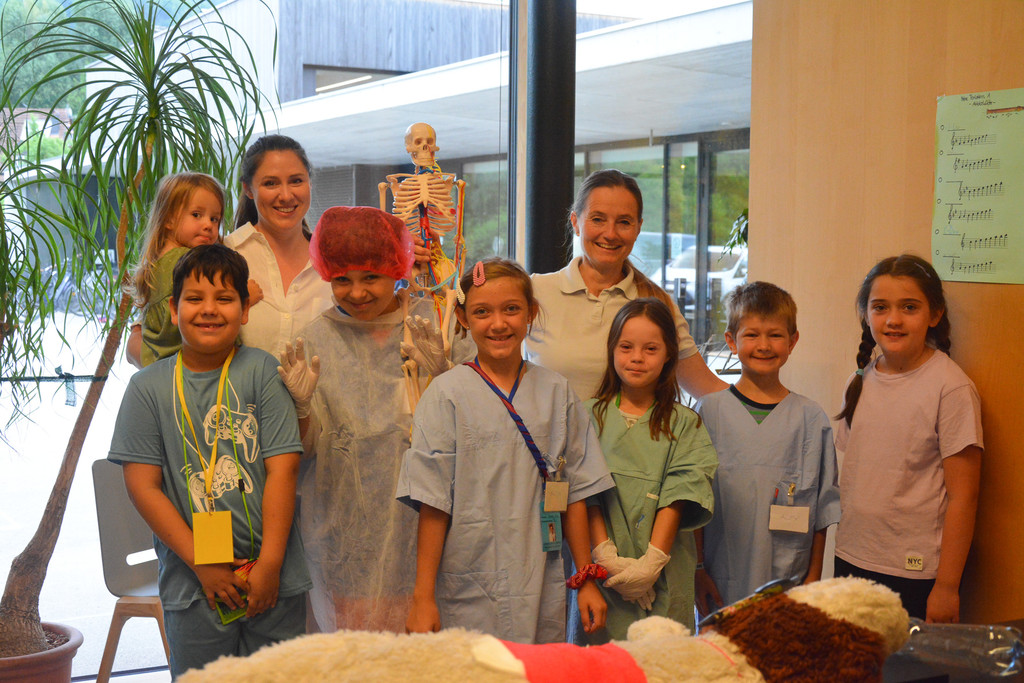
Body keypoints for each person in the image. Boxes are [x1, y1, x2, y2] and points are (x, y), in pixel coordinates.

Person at [108, 244, 310, 678]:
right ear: (173, 308)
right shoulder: (147, 389)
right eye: (195, 298)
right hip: (193, 583)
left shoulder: (262, 372)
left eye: (225, 298)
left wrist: (271, 564)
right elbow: (142, 486)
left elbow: (283, 470)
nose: (209, 309)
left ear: (245, 309)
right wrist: (202, 563)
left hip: (273, 576)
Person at [275, 206, 473, 633]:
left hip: (431, 525)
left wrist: (447, 378)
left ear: (397, 269)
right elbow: (305, 452)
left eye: (371, 277)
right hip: (347, 534)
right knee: (361, 654)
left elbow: (480, 430)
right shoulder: (314, 341)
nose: (357, 292)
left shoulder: (434, 326)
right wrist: (301, 409)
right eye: (342, 279)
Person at [397, 258, 615, 644]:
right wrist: (422, 597)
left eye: (511, 309)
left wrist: (585, 579)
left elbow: (575, 492)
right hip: (468, 579)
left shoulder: (557, 393)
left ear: (531, 313)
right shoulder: (446, 395)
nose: (498, 324)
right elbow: (433, 502)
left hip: (540, 575)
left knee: (536, 665)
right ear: (462, 318)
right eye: (482, 312)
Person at [833, 255, 982, 623]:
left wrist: (946, 587)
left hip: (915, 573)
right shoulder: (860, 380)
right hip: (851, 557)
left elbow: (964, 497)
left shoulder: (951, 388)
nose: (893, 319)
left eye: (909, 307)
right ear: (866, 315)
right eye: (880, 307)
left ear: (935, 314)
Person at [694, 281, 840, 615]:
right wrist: (698, 570)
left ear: (793, 341)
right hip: (720, 581)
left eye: (775, 335)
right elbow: (694, 502)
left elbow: (823, 509)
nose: (763, 345)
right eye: (752, 335)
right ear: (731, 341)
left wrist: (813, 579)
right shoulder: (710, 413)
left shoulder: (810, 418)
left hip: (789, 583)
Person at [525, 168, 727, 401]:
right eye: (598, 219)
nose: (610, 234)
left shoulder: (656, 303)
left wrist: (760, 407)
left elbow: (707, 387)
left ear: (638, 228)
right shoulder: (535, 291)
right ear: (575, 222)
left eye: (624, 222)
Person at [585, 298, 717, 640]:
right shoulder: (588, 417)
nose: (637, 357)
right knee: (602, 662)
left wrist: (651, 564)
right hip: (601, 577)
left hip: (665, 574)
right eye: (626, 347)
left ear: (669, 354)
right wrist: (606, 557)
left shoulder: (685, 424)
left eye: (651, 349)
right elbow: (584, 493)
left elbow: (681, 494)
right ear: (612, 349)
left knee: (663, 659)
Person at [224, 134, 333, 357]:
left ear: (309, 183)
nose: (286, 195)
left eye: (296, 181)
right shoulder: (226, 254)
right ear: (248, 189)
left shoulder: (335, 261)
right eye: (270, 183)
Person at [125, 172, 225, 368]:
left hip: (160, 366)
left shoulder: (157, 261)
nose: (208, 225)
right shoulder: (189, 262)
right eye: (196, 215)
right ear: (168, 219)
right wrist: (247, 295)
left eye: (214, 219)